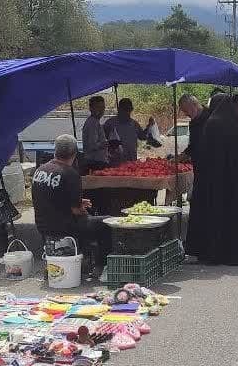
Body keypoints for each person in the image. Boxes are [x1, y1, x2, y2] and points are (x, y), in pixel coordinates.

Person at [185, 94, 238, 265]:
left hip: (218, 183)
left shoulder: (213, 124)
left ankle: (216, 252)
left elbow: (206, 155)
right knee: (236, 216)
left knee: (218, 215)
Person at [32, 135, 112, 273]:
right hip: (64, 226)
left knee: (90, 219)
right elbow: (76, 210)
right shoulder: (70, 174)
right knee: (107, 222)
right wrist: (82, 209)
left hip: (43, 225)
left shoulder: (40, 170)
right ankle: (101, 266)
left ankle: (85, 257)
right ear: (74, 154)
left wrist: (78, 203)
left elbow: (51, 197)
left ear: (55, 151)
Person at [103, 98, 155, 164]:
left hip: (131, 162)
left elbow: (142, 137)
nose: (126, 112)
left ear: (131, 110)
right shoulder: (110, 123)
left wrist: (149, 126)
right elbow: (102, 140)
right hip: (115, 162)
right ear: (119, 109)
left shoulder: (134, 124)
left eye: (128, 110)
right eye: (124, 110)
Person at [81, 95, 110, 173]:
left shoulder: (96, 122)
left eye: (103, 107)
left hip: (98, 160)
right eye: (98, 107)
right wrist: (106, 143)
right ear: (91, 108)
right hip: (94, 162)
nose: (101, 110)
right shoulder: (92, 123)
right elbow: (92, 145)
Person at [176, 93, 208, 163]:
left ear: (193, 105)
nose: (186, 114)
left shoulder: (211, 118)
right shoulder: (193, 123)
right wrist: (182, 156)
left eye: (185, 110)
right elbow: (193, 145)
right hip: (199, 164)